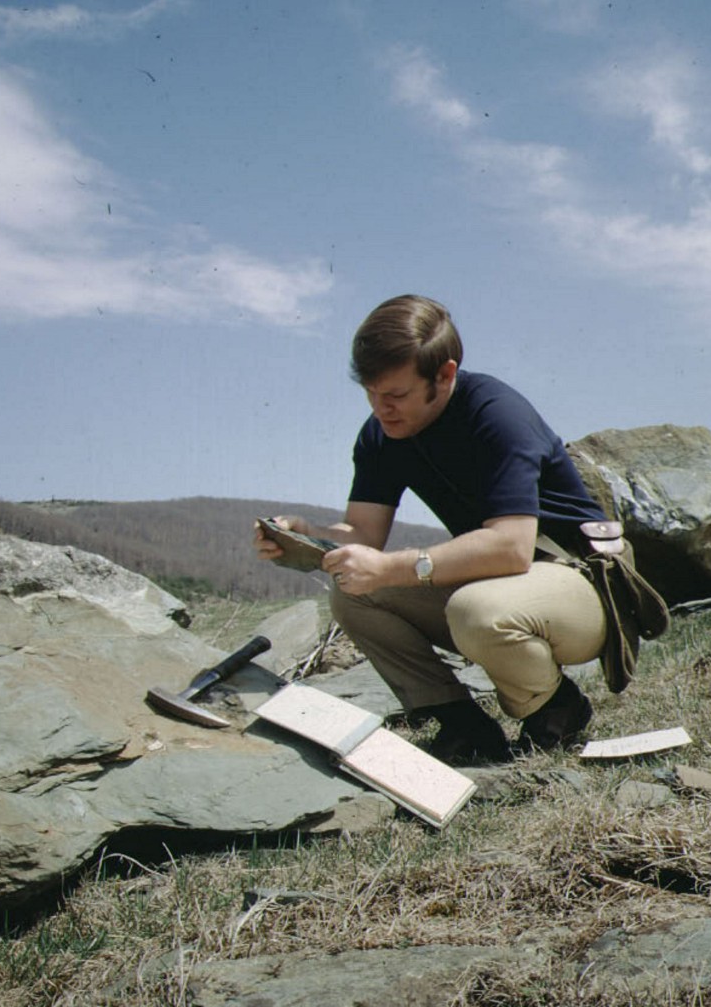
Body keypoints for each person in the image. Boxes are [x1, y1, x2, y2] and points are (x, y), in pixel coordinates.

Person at [255, 294, 610, 763]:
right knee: (353, 591)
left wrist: (397, 567)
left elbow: (511, 548)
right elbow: (362, 535)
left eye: (396, 395)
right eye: (371, 393)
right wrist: (306, 536)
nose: (381, 409)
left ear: (444, 375)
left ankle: (555, 710)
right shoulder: (383, 433)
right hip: (505, 582)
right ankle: (461, 724)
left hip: (579, 581)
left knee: (475, 609)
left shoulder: (497, 414)